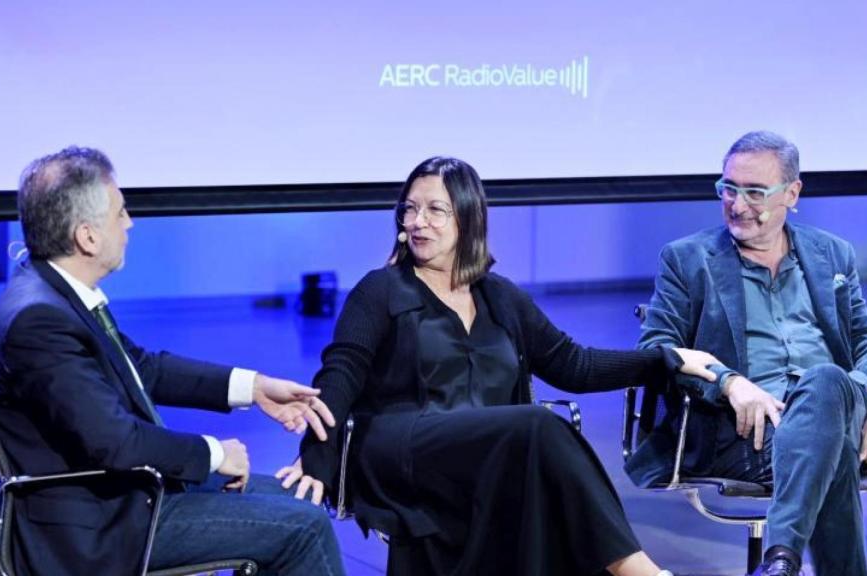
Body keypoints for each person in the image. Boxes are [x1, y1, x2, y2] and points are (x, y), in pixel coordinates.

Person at [279, 156, 719, 576]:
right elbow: (341, 373)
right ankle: (637, 570)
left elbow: (573, 365)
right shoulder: (379, 290)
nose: (417, 222)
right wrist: (317, 453)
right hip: (402, 446)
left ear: (467, 219)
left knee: (535, 444)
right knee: (538, 426)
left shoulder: (500, 296)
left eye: (435, 210)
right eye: (409, 210)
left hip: (485, 455)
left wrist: (664, 360)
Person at [0, 146, 346, 575]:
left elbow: (143, 367)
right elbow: (113, 441)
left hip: (123, 497)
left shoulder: (52, 293)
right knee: (304, 528)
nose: (130, 223)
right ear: (88, 236)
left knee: (298, 501)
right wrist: (213, 453)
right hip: (101, 526)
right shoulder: (39, 320)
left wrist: (255, 386)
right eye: (120, 213)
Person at [625, 131, 867, 576]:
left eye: (754, 192)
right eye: (728, 188)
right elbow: (657, 349)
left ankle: (780, 561)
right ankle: (788, 559)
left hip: (832, 407)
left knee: (826, 382)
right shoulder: (687, 259)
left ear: (792, 194)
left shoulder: (831, 254)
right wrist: (727, 382)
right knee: (830, 450)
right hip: (743, 432)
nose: (737, 204)